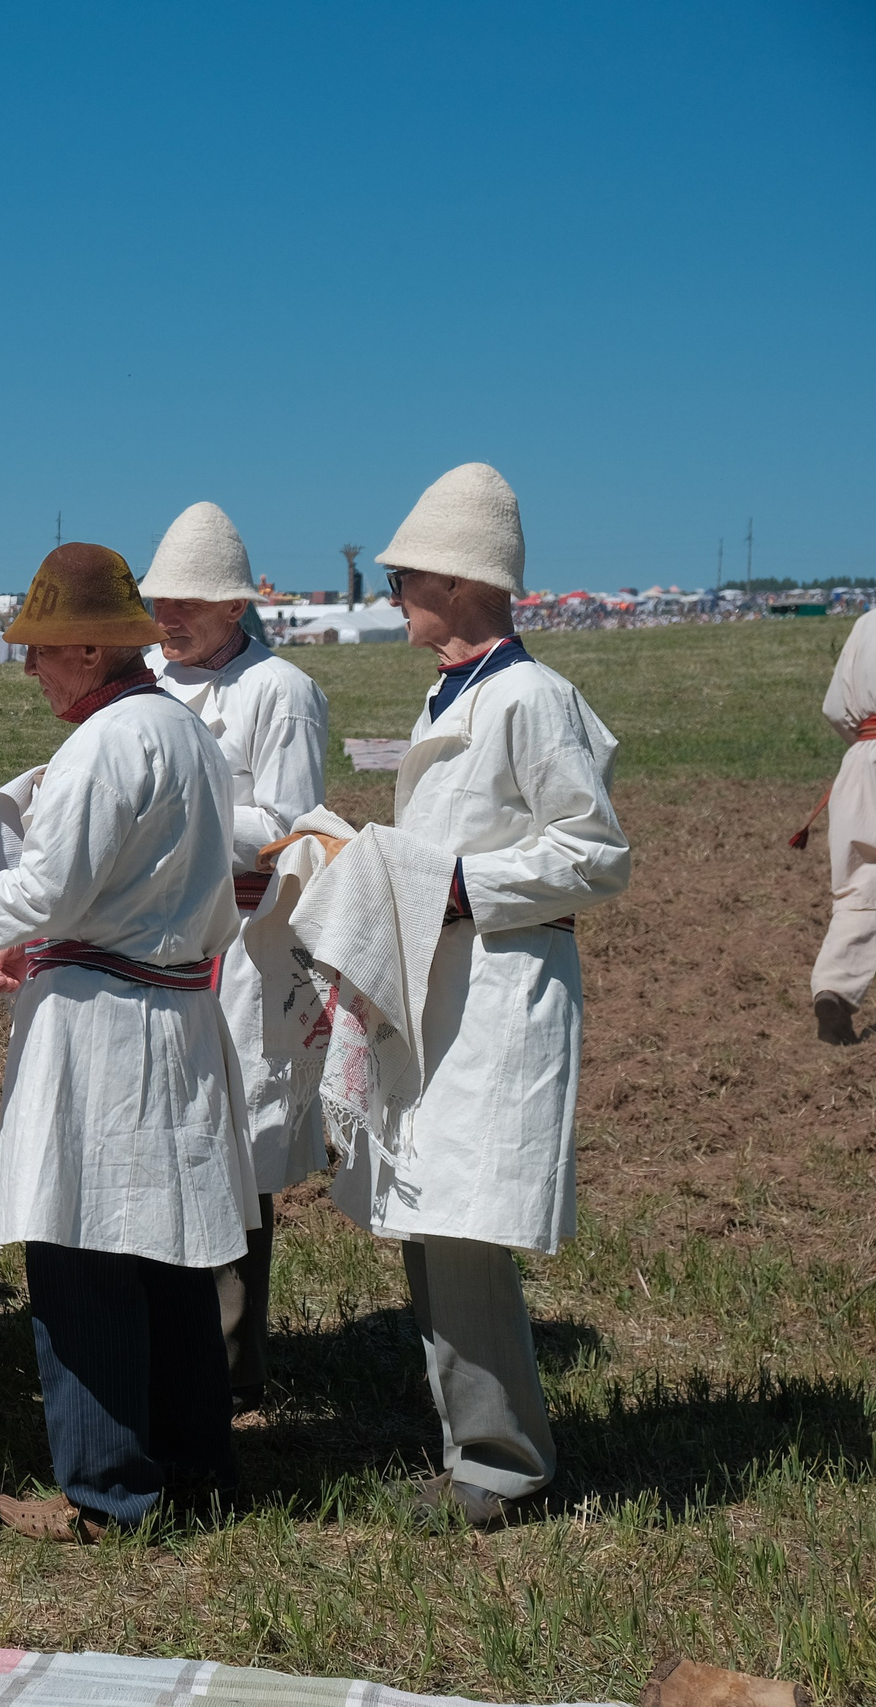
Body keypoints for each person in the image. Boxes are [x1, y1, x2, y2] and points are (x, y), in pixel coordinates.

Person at [0, 542, 252, 1541]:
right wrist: (34, 939)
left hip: (108, 1034)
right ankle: (195, 1462)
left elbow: (49, 887)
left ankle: (110, 1493)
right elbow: (95, 893)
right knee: (165, 1257)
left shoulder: (109, 744)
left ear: (83, 651)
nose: (25, 667)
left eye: (35, 650)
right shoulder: (182, 731)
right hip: (163, 1010)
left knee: (85, 1252)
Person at [352, 462, 630, 1527]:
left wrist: (462, 886)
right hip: (444, 984)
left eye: (405, 579)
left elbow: (596, 853)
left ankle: (502, 1465)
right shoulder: (453, 692)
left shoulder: (530, 697)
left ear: (463, 584)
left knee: (462, 1219)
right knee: (434, 1214)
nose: (393, 598)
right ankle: (471, 1444)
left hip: (498, 985)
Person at [140, 501, 330, 1413]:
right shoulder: (148, 683)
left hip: (243, 947)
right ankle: (168, 1344)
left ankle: (232, 1359)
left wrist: (174, 820)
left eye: (189, 602)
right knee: (166, 1136)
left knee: (237, 1149)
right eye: (159, 601)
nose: (168, 618)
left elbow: (291, 825)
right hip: (155, 938)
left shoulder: (279, 692)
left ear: (233, 608)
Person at [804, 608, 876, 1043]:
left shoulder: (867, 623)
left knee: (860, 886)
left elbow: (835, 708)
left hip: (861, 762)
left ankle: (834, 986)